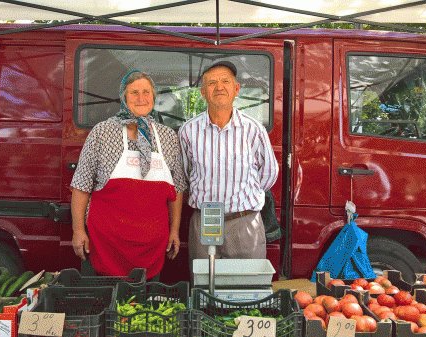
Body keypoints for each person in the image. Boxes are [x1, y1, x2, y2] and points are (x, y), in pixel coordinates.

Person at [70, 69, 187, 280]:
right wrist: (78, 230)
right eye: (134, 93)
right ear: (124, 97)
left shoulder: (168, 137)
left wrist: (174, 230)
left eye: (146, 92)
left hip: (151, 248)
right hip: (106, 245)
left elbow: (176, 190)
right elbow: (81, 185)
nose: (141, 98)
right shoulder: (102, 132)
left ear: (154, 96)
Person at [179, 61, 278, 262]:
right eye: (212, 83)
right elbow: (184, 175)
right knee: (205, 286)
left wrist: (243, 197)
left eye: (225, 81)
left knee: (247, 289)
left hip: (244, 223)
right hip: (204, 221)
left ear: (236, 89)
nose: (219, 87)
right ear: (203, 92)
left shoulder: (254, 130)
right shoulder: (188, 131)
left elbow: (269, 174)